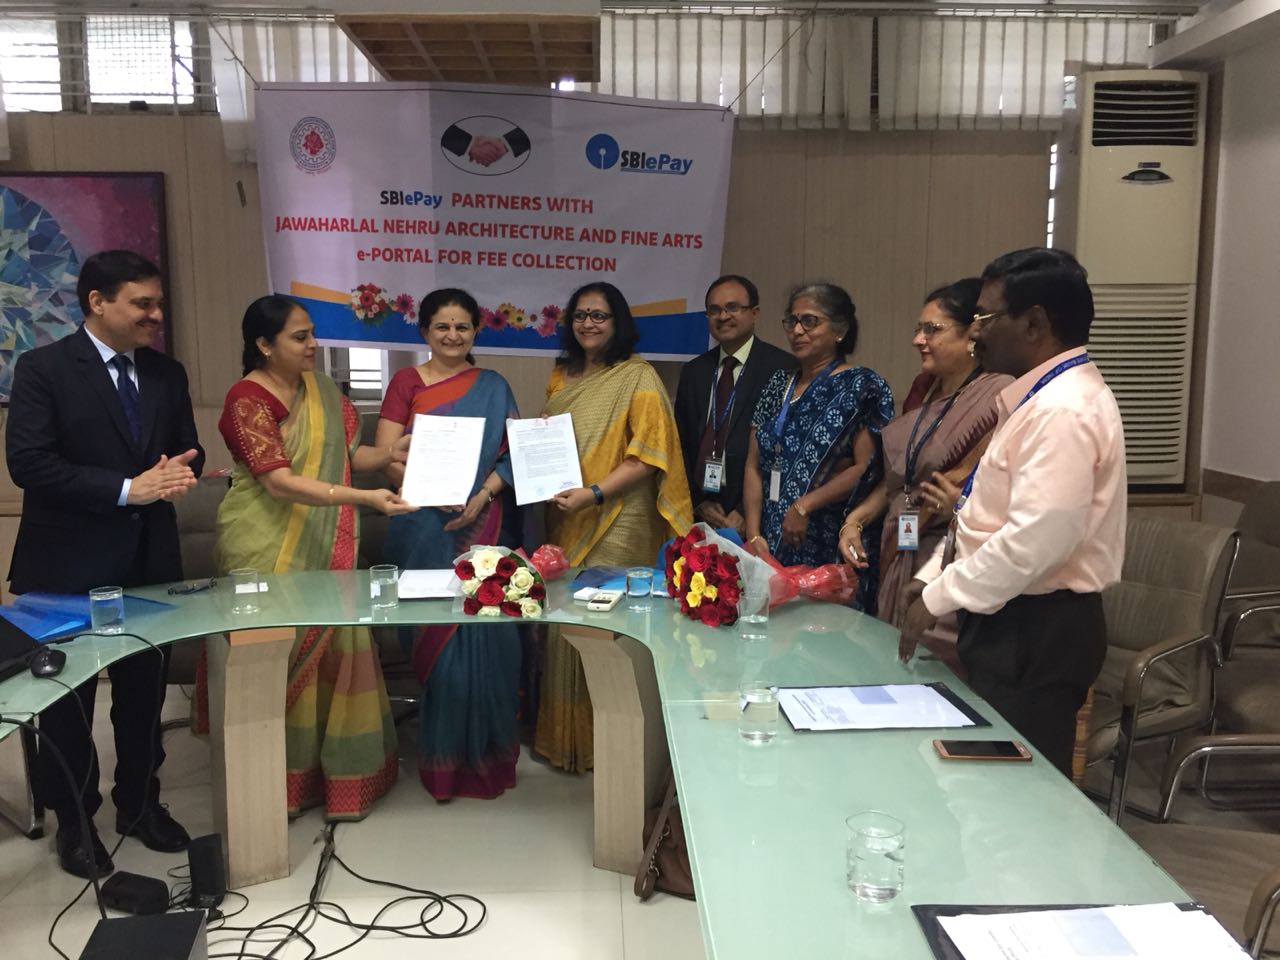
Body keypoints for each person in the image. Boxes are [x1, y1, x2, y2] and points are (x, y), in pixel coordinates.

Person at [6, 250, 203, 878]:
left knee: (145, 699)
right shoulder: (43, 369)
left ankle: (140, 804)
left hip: (149, 565)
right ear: (97, 301)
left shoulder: (167, 373)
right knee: (67, 706)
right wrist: (127, 489)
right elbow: (29, 464)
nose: (156, 315)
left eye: (157, 303)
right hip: (65, 569)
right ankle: (75, 821)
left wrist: (181, 472)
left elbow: (187, 451)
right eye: (142, 303)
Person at [901, 248, 1127, 778]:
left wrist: (938, 596)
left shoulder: (1064, 409)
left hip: (1037, 628)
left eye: (985, 316)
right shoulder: (1036, 397)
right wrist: (933, 573)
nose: (976, 332)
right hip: (1013, 619)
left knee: (1016, 789)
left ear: (1034, 323)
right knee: (986, 777)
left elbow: (1035, 541)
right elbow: (986, 512)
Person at [203, 295, 416, 819]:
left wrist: (389, 455)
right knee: (272, 657)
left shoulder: (322, 391)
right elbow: (278, 482)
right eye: (300, 337)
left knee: (338, 644)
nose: (313, 345)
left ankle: (337, 777)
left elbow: (350, 456)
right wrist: (365, 497)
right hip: (264, 543)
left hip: (324, 543)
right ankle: (273, 785)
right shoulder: (247, 398)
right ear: (264, 344)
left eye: (312, 333)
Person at [536, 281, 693, 772]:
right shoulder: (561, 376)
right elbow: (550, 440)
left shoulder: (638, 377)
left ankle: (616, 748)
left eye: (599, 315)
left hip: (619, 515)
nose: (588, 323)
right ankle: (570, 742)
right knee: (566, 619)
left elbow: (650, 454)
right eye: (580, 315)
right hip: (567, 513)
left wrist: (595, 492)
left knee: (605, 623)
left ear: (617, 322)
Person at [374, 288, 523, 800]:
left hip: (483, 525)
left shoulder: (495, 386)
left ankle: (486, 760)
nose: (453, 336)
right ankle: (442, 764)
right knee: (436, 640)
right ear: (425, 332)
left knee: (489, 637)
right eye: (442, 326)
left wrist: (482, 496)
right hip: (421, 526)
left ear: (475, 331)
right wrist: (428, 490)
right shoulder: (406, 383)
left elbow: (513, 457)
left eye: (462, 326)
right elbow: (386, 456)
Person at [838, 280, 1011, 652]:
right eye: (919, 329)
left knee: (933, 662)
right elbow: (901, 480)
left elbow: (985, 487)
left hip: (948, 553)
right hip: (899, 544)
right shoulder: (925, 389)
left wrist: (956, 506)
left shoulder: (999, 394)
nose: (918, 339)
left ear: (972, 334)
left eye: (932, 329)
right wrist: (855, 520)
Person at [742, 283, 893, 612]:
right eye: (792, 321)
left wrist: (804, 506)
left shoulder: (861, 386)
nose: (797, 331)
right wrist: (754, 536)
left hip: (827, 539)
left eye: (810, 321)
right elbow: (753, 465)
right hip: (770, 540)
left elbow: (866, 468)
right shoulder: (777, 384)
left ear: (840, 330)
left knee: (821, 635)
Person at [674, 274, 795, 537]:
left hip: (758, 514)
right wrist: (698, 501)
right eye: (714, 310)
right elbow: (680, 444)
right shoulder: (694, 371)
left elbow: (786, 447)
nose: (723, 316)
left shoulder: (783, 368)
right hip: (702, 511)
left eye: (732, 308)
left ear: (754, 313)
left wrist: (747, 507)